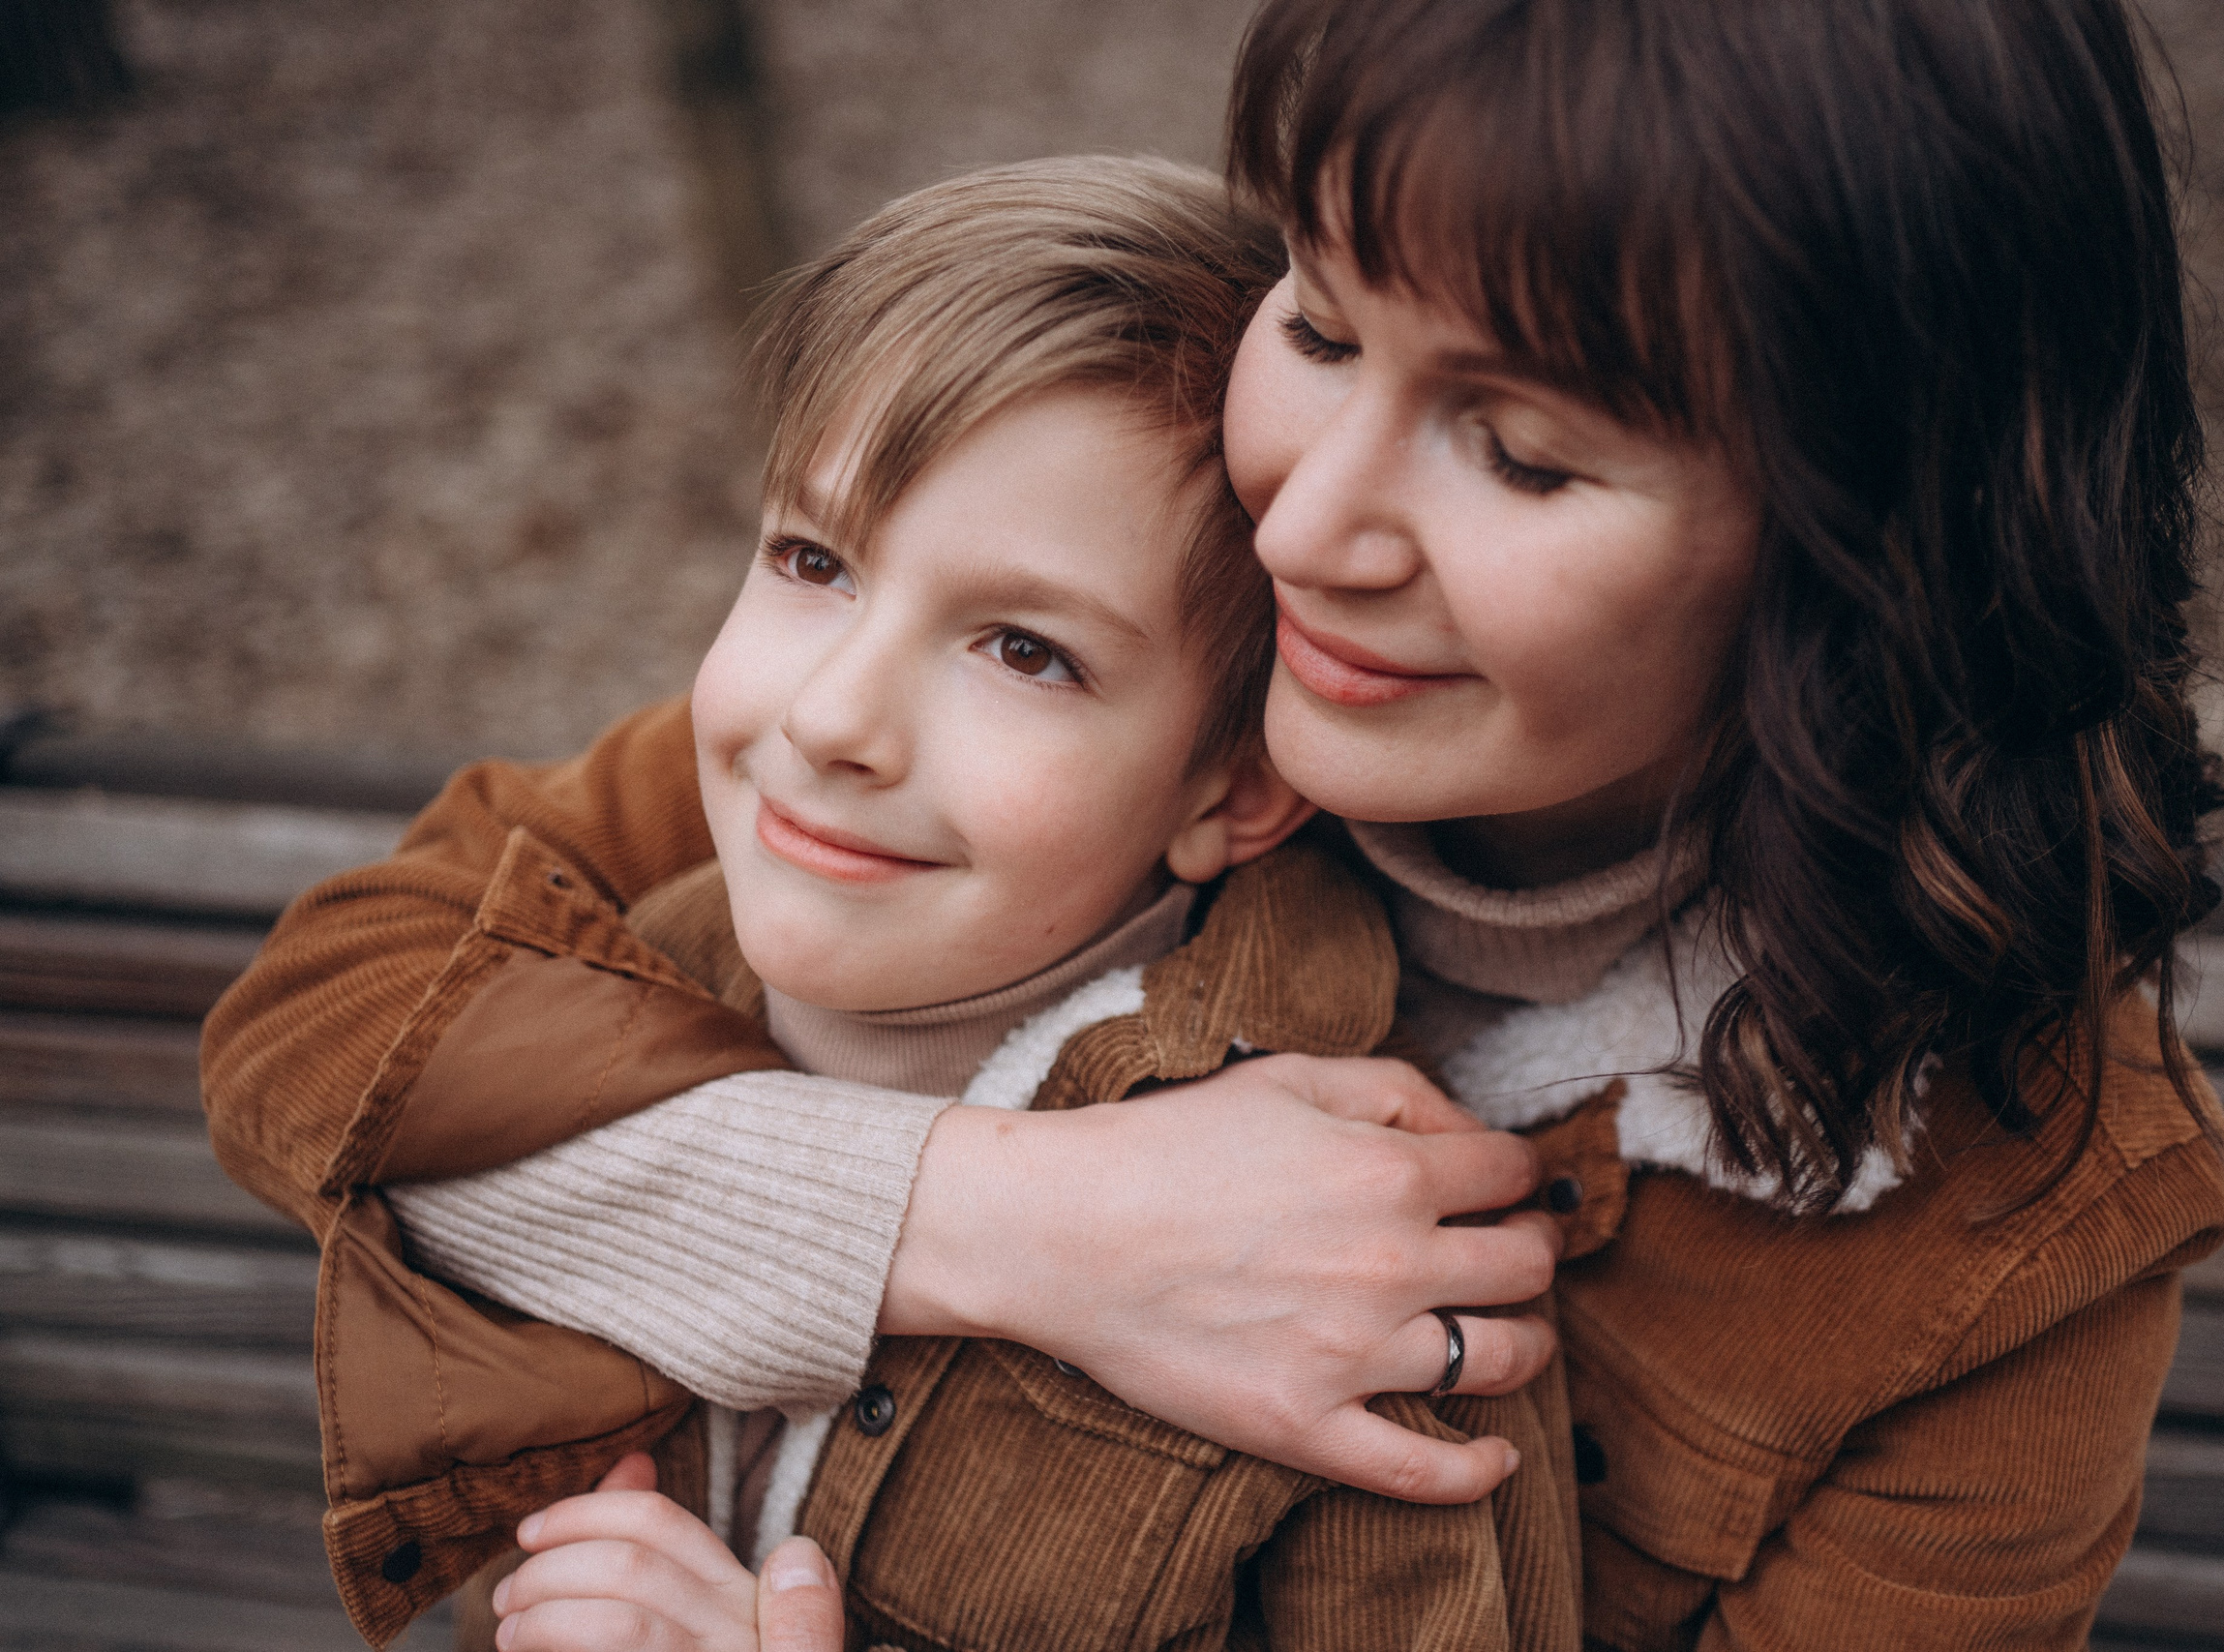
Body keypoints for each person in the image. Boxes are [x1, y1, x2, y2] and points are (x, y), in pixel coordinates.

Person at [201, 1, 2224, 1646]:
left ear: (1860, 546)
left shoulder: (2017, 1214)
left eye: (1521, 455)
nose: (1307, 522)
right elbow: (340, 1014)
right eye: (1323, 327)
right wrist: (1007, 1224)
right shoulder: (1102, 690)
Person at [395, 155, 1590, 1652]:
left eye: (1025, 650)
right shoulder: (602, 969)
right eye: (814, 560)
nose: (833, 718)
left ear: (1233, 793)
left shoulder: (1345, 1254)